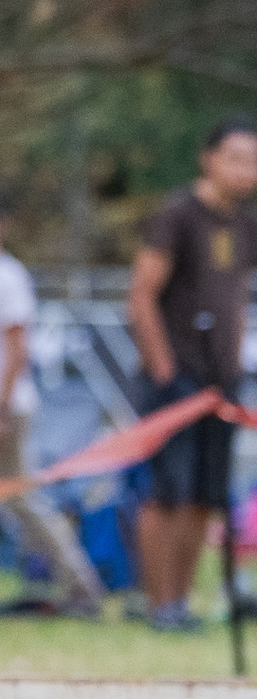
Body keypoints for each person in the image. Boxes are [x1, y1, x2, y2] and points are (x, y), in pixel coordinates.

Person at [0, 191, 105, 614]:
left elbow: (17, 351)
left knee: (19, 497)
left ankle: (78, 579)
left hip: (3, 409)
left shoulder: (7, 277)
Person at [126, 117, 257, 632]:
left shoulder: (244, 224)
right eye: (236, 158)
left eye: (253, 162)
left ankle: (182, 601)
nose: (245, 171)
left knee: (206, 495)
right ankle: (159, 603)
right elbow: (141, 294)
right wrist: (164, 369)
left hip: (222, 381)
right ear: (208, 158)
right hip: (175, 380)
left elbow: (238, 297)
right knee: (167, 494)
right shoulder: (178, 215)